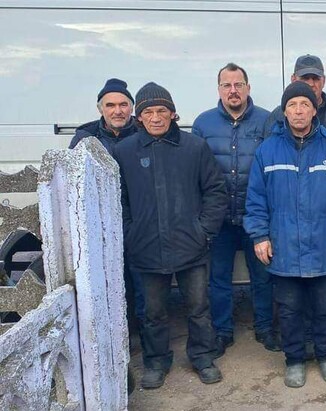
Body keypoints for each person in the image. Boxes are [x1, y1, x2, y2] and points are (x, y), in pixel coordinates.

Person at [244, 81, 326, 388]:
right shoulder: (267, 150)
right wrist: (260, 236)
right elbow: (256, 200)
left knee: (325, 306)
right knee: (290, 309)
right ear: (284, 111)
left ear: (314, 109)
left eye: (304, 105)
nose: (298, 111)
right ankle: (294, 359)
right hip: (284, 246)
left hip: (324, 245)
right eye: (292, 105)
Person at [115, 82, 228, 389]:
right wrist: (130, 233)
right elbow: (117, 199)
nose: (155, 118)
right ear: (138, 117)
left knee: (199, 308)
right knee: (152, 313)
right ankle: (155, 362)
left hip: (191, 247)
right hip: (146, 248)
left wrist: (203, 231)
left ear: (173, 114)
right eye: (148, 112)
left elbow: (216, 191)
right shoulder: (124, 152)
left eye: (161, 111)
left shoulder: (194, 148)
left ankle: (203, 357)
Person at [266, 54, 326, 357]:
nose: (310, 84)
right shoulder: (274, 122)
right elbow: (268, 172)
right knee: (290, 291)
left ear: (323, 81)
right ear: (294, 81)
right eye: (304, 78)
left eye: (315, 78)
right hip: (289, 222)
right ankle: (296, 345)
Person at [192, 63, 279, 357]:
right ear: (218, 89)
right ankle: (223, 331)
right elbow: (197, 174)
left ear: (248, 88)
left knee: (263, 275)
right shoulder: (203, 124)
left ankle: (265, 328)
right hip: (219, 219)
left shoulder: (267, 121)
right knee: (219, 277)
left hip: (255, 217)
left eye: (238, 84)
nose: (233, 90)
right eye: (227, 85)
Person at [69, 78, 145, 341]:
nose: (118, 111)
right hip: (100, 226)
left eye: (124, 104)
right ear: (100, 108)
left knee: (140, 285)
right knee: (108, 285)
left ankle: (137, 336)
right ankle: (110, 337)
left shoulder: (143, 133)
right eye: (111, 105)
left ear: (132, 107)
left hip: (137, 221)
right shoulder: (85, 138)